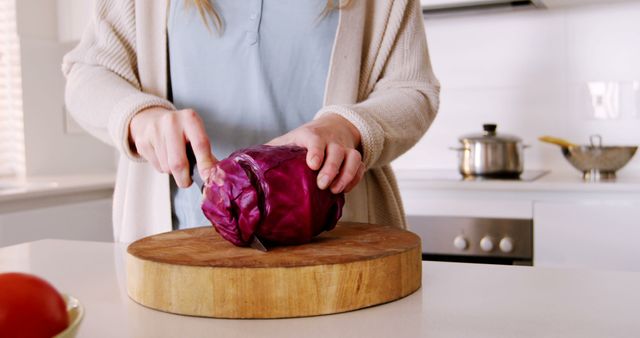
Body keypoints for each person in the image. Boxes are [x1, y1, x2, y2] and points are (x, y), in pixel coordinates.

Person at [62, 0, 440, 243]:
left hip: (339, 250)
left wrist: (347, 127)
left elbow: (413, 90)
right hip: (178, 243)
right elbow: (89, 73)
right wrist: (141, 119)